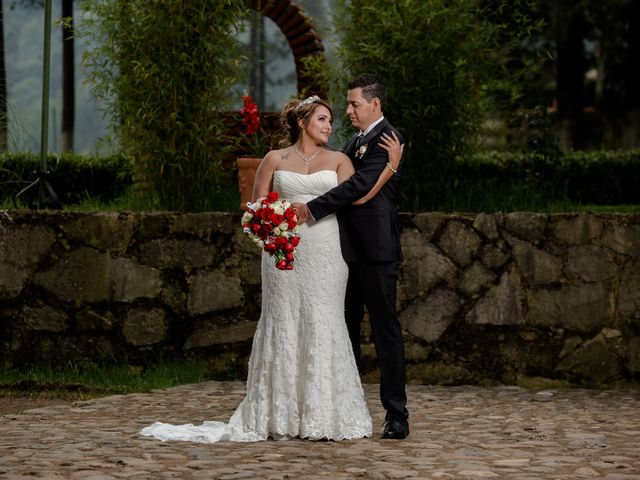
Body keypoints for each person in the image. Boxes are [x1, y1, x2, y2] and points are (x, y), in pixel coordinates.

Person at [139, 95, 402, 443]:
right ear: (303, 121)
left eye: (332, 120)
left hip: (325, 253)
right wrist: (271, 230)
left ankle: (323, 413)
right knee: (283, 320)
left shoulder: (340, 158)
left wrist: (390, 168)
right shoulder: (273, 159)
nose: (330, 126)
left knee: (325, 321)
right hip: (282, 254)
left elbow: (357, 196)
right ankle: (278, 412)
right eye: (323, 119)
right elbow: (254, 208)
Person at [293, 74, 409, 440]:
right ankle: (346, 409)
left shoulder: (389, 139)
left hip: (375, 251)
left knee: (384, 330)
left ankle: (397, 415)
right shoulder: (353, 141)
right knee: (344, 331)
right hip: (342, 251)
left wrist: (311, 208)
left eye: (354, 103)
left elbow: (357, 189)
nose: (348, 110)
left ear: (375, 104)